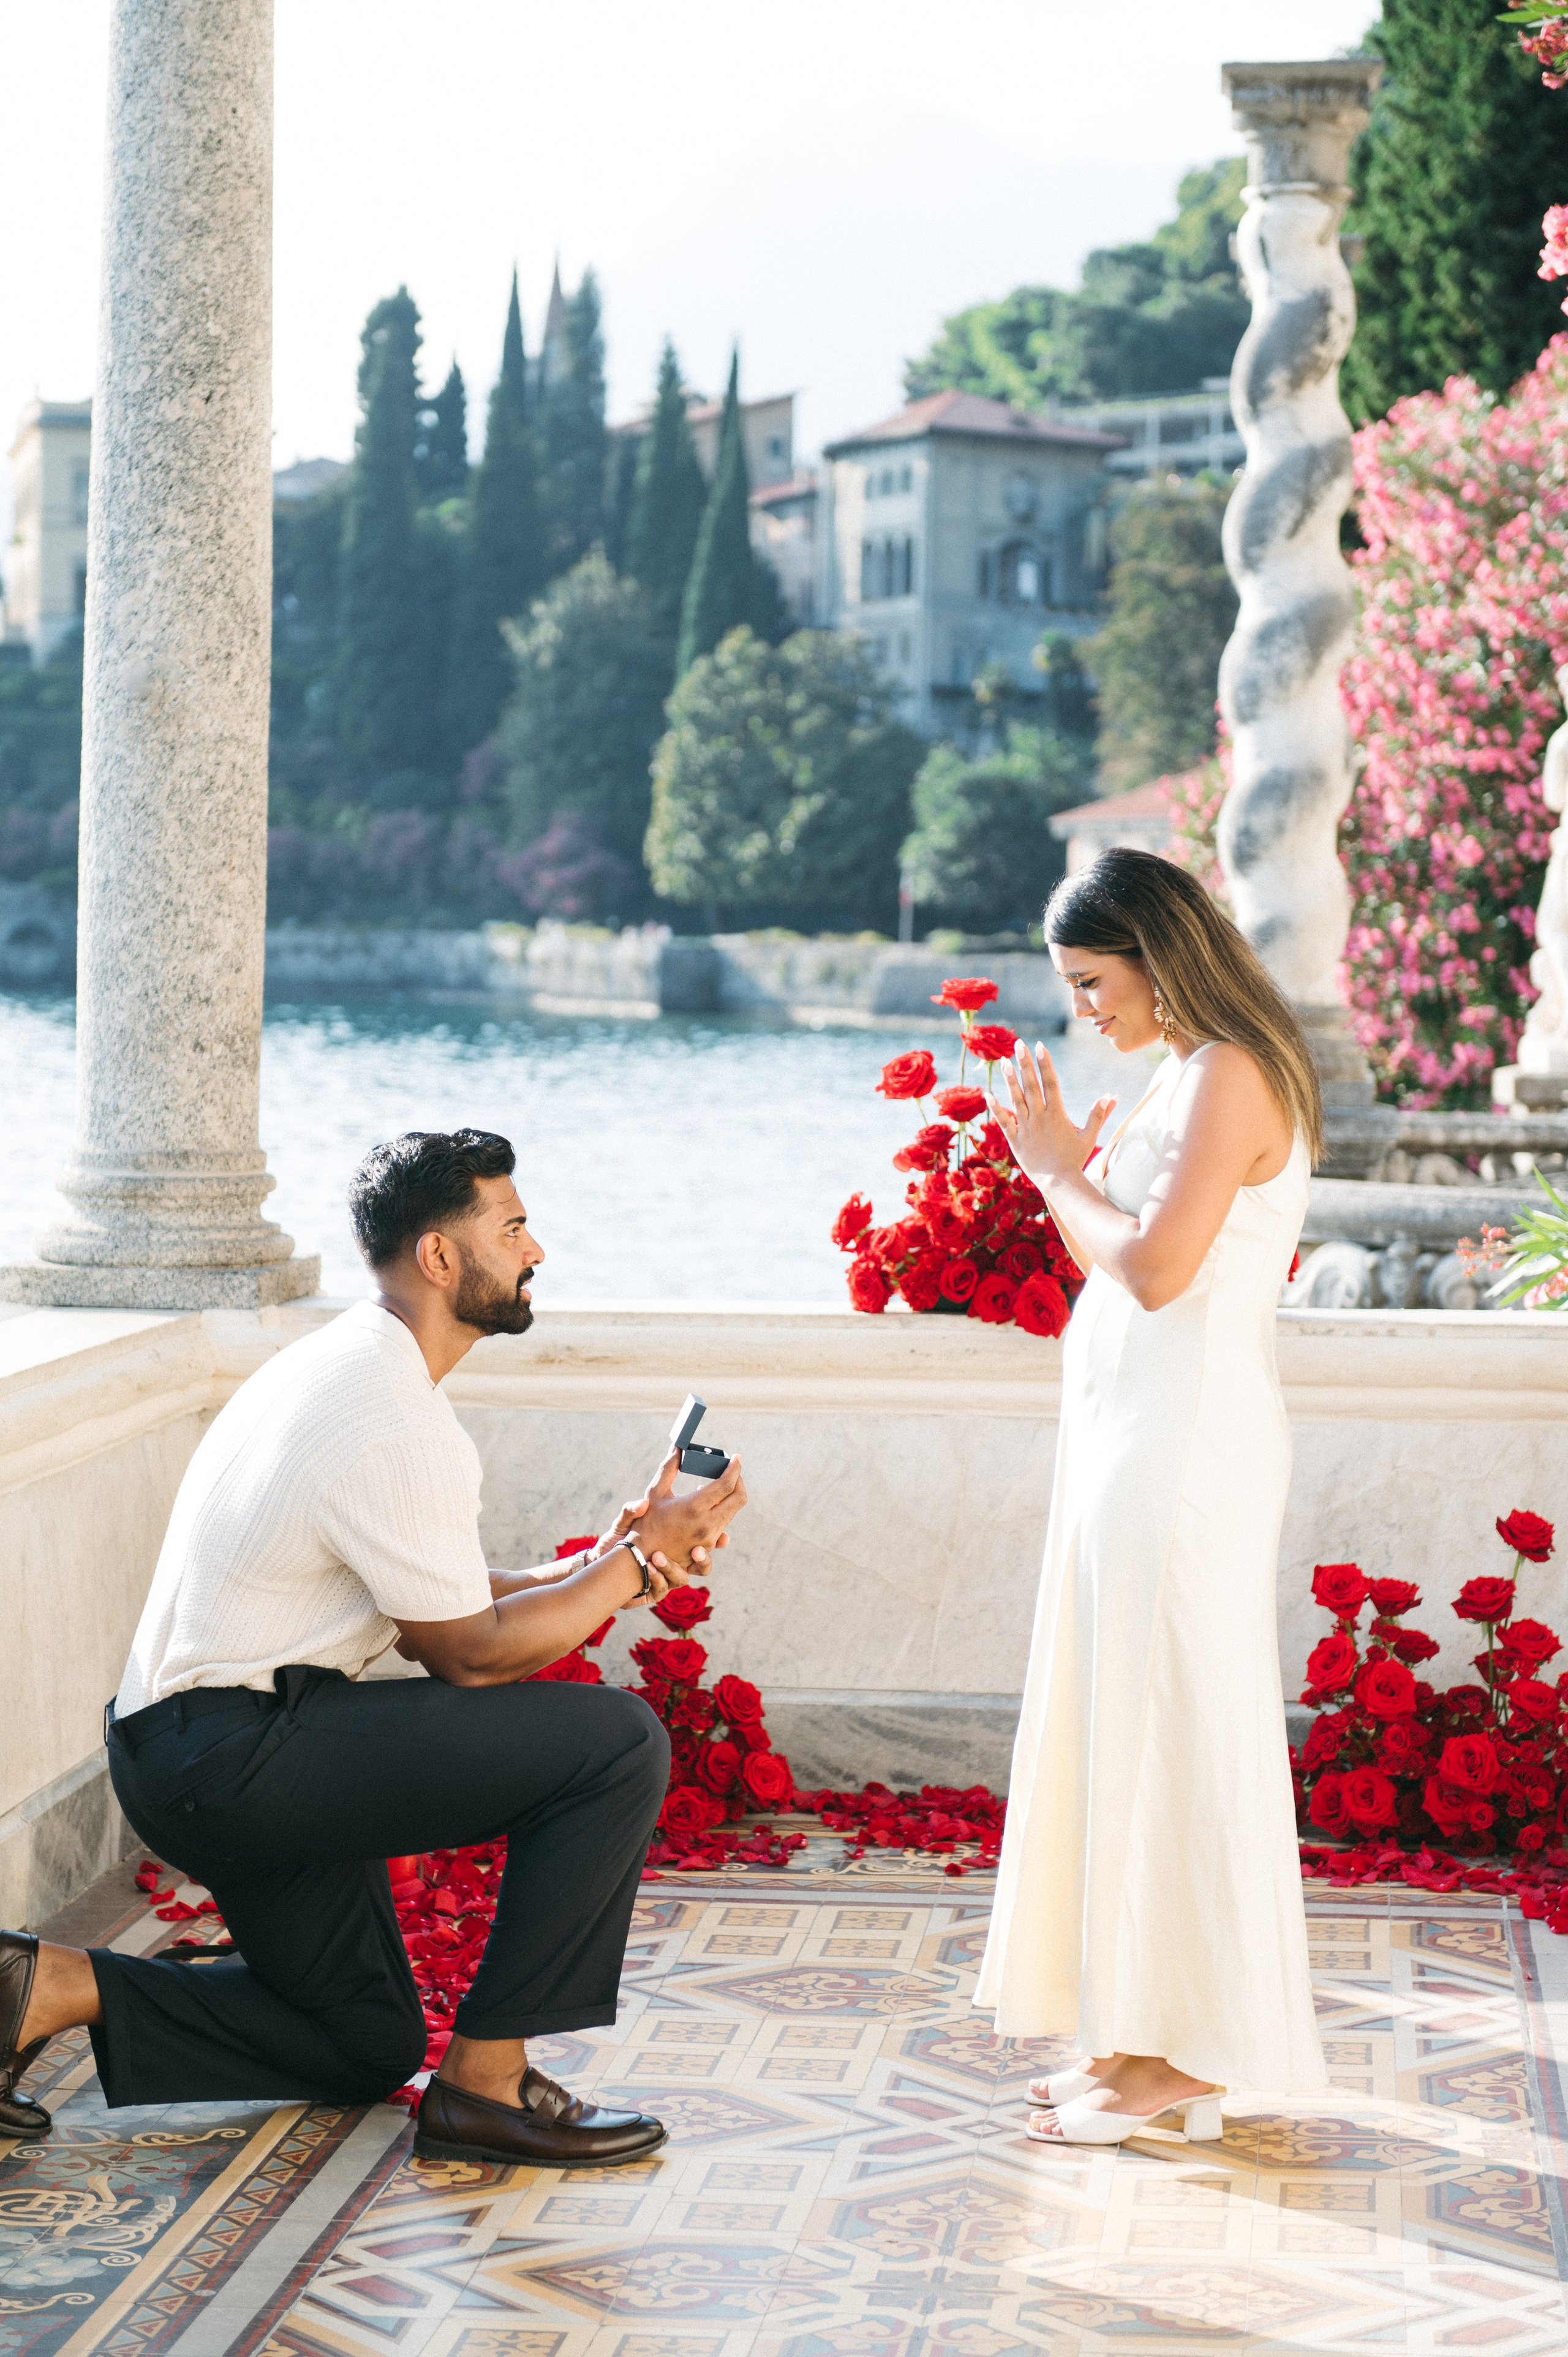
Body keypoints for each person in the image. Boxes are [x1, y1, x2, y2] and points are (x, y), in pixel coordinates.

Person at [0, 1128, 746, 2168]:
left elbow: (430, 1597)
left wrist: (617, 1551)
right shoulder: (388, 1412)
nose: (538, 1251)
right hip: (233, 1754)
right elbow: (471, 1655)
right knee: (617, 1743)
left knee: (362, 2042)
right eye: (515, 1227)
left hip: (195, 1749)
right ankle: (486, 2087)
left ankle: (49, 1986)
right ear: (440, 1257)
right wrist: (633, 1570)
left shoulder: (350, 1366)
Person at [973, 848, 1327, 2146]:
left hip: (1186, 1449)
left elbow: (1160, 1269)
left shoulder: (1229, 1069)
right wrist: (1067, 1157)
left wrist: (1052, 1164)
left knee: (1174, 1722)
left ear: (1154, 951)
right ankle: (1131, 2034)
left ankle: (1184, 2051)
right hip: (1132, 1437)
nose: (1082, 1009)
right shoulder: (1180, 1075)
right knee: (1124, 1718)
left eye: (1091, 979)